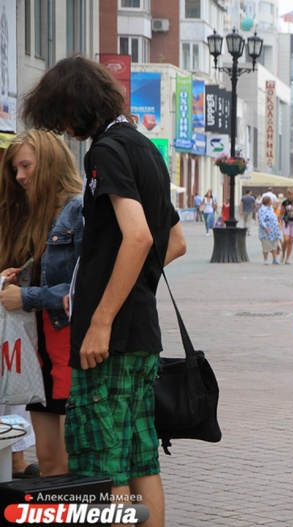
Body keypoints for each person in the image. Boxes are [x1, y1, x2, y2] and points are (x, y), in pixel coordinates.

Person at [21, 54, 187, 527]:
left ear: (75, 106)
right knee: (140, 460)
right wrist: (125, 286)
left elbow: (139, 237)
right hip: (141, 335)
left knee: (102, 467)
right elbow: (174, 240)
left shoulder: (107, 150)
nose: (63, 129)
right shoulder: (145, 148)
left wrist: (101, 316)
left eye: (61, 116)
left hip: (108, 340)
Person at [0, 130, 84, 477]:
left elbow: (84, 286)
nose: (20, 176)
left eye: (25, 166)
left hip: (70, 350)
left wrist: (27, 296)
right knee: (49, 464)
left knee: (74, 465)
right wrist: (18, 278)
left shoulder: (78, 211)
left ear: (49, 162)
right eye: (15, 169)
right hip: (41, 353)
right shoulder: (38, 216)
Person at [280, 188, 293, 264]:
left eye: (292, 194)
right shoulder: (285, 202)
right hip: (286, 221)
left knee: (291, 241)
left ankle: (287, 258)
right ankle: (283, 254)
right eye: (289, 194)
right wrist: (279, 222)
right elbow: (281, 212)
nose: (291, 195)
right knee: (286, 239)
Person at [258, 195, 281, 265]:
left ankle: (275, 258)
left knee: (274, 245)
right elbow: (261, 220)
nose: (272, 202)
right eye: (270, 201)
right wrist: (265, 227)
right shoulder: (262, 210)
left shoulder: (271, 209)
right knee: (266, 245)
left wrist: (277, 224)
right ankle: (265, 259)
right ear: (268, 202)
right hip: (267, 230)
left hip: (274, 230)